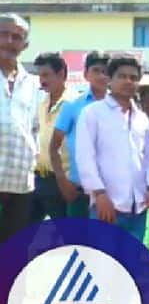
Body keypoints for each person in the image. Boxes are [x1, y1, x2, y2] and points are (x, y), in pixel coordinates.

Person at [76, 53, 149, 241]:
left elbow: (148, 157)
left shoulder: (141, 118)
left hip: (138, 208)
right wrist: (100, 194)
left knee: (129, 266)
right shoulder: (93, 113)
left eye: (134, 77)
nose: (128, 81)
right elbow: (85, 158)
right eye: (122, 76)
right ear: (110, 79)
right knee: (103, 265)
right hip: (106, 206)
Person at [51, 51, 110, 218]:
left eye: (106, 72)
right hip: (80, 192)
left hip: (112, 192)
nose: (101, 76)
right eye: (96, 71)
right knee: (78, 242)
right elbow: (53, 147)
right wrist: (63, 182)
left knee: (107, 242)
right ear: (86, 74)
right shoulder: (73, 105)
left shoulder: (120, 107)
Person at [0, 14, 38, 243]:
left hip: (19, 182)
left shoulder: (31, 84)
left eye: (17, 37)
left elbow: (34, 128)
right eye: (3, 34)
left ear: (25, 45)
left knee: (12, 251)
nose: (9, 41)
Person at [30, 52, 73, 223]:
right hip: (36, 180)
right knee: (21, 234)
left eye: (46, 75)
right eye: (39, 75)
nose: (42, 80)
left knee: (68, 238)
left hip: (61, 182)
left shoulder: (74, 104)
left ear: (61, 73)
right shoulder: (41, 103)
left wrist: (66, 182)